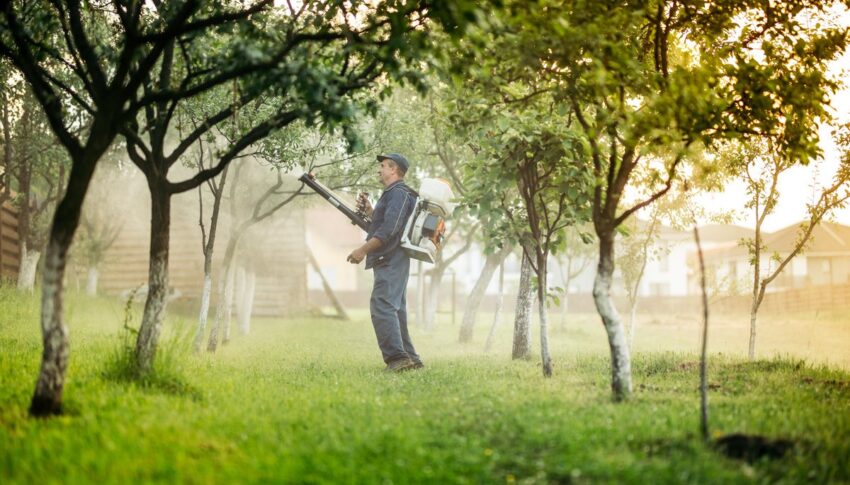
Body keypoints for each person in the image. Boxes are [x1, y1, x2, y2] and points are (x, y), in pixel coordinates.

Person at [347, 153, 423, 372]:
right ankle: (411, 359)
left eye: (383, 166)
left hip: (391, 257)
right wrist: (371, 210)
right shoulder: (391, 195)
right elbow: (386, 222)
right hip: (392, 257)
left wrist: (362, 250)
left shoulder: (398, 193)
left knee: (382, 306)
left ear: (394, 169)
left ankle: (397, 359)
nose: (379, 169)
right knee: (395, 309)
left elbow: (389, 229)